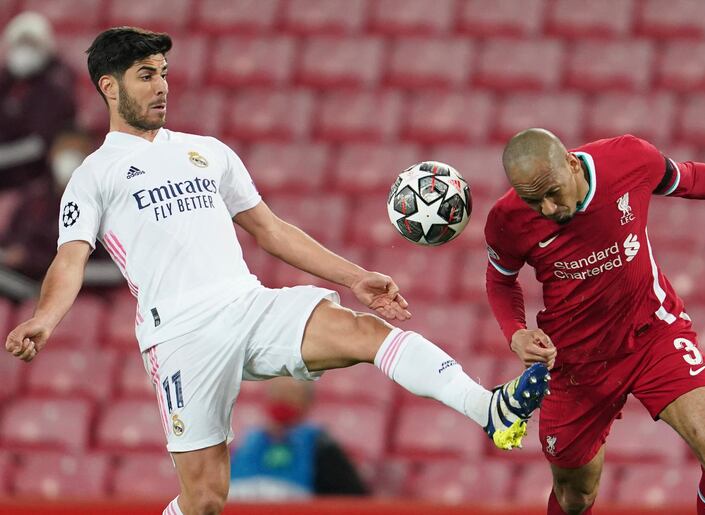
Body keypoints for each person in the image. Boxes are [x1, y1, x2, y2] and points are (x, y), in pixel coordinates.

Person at [3, 28, 550, 515]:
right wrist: (45, 321)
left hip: (247, 304)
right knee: (205, 500)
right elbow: (69, 260)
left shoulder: (207, 153)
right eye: (146, 76)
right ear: (109, 87)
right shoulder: (94, 175)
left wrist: (352, 276)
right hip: (179, 337)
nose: (162, 86)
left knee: (365, 330)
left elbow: (270, 229)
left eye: (164, 73)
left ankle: (490, 410)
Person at [484, 128, 705, 515]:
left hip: (653, 334)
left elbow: (688, 178)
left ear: (570, 163)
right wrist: (516, 334)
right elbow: (501, 280)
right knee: (574, 498)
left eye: (552, 192)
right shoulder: (506, 219)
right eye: (534, 200)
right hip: (577, 363)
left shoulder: (627, 159)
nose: (547, 208)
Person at [0, 128, 120, 299]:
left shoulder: (106, 206)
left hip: (80, 295)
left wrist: (58, 272)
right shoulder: (32, 201)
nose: (68, 157)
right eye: (63, 150)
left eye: (77, 150)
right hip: (23, 289)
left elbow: (114, 270)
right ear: (51, 155)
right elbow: (10, 248)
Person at [229, 377, 368, 500]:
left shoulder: (321, 446)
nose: (282, 399)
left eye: (290, 393)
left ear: (307, 403)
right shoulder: (244, 444)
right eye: (277, 392)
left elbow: (352, 500)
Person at [0, 12, 76, 190]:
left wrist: (4, 155)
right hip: (9, 163)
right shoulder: (7, 80)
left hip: (41, 166)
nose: (23, 52)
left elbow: (41, 142)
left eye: (30, 45)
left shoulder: (57, 82)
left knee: (66, 165)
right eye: (19, 45)